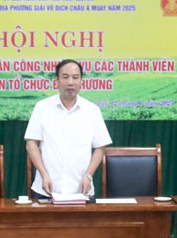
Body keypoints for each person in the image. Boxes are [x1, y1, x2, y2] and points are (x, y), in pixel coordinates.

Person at [25, 59, 112, 198]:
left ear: (81, 81)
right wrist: (43, 174)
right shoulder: (42, 108)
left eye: (75, 77)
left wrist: (88, 175)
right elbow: (31, 144)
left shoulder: (92, 110)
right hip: (46, 189)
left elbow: (100, 147)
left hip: (81, 191)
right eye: (65, 77)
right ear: (57, 81)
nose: (70, 82)